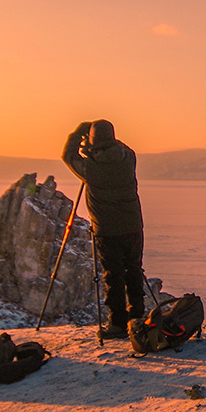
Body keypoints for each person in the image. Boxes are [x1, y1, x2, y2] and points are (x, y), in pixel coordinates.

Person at [61, 119, 147, 339]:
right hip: (133, 226)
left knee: (114, 276)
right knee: (134, 270)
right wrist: (99, 144)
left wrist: (78, 134)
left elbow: (68, 157)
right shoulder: (128, 159)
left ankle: (117, 324)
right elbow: (123, 148)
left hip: (107, 230)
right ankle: (138, 315)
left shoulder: (91, 167)